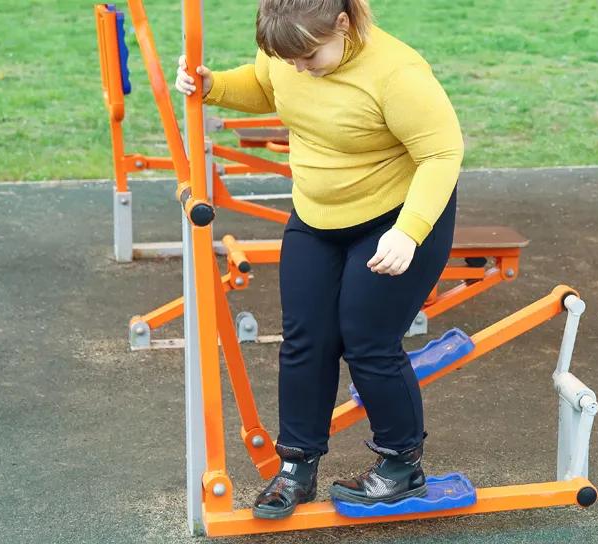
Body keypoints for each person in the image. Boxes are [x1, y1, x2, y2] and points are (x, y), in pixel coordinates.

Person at [175, 0, 463, 520]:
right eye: (290, 59)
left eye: (309, 56)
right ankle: (297, 466)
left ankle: (401, 466)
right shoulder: (289, 56)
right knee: (305, 338)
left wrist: (409, 232)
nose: (299, 68)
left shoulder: (396, 73)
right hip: (316, 212)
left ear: (344, 25)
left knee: (367, 339)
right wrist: (211, 84)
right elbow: (265, 86)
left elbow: (441, 154)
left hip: (397, 216)